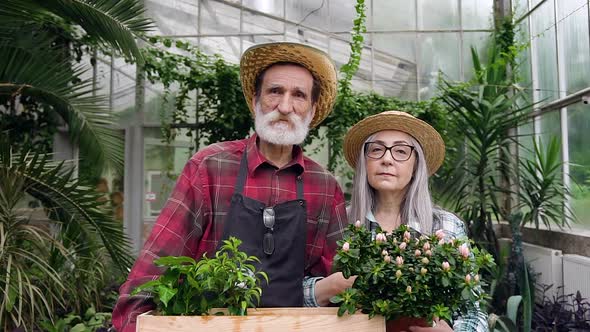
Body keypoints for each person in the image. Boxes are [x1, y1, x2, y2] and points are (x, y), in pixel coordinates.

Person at [112, 42, 353, 331]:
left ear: (312, 111)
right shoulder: (210, 167)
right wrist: (130, 323)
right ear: (255, 100)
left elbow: (341, 279)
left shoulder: (324, 186)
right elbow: (158, 261)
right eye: (275, 92)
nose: (285, 106)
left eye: (298, 96)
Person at [343, 110, 489, 332]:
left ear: (416, 166)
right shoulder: (341, 222)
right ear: (365, 162)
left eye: (401, 151)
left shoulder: (445, 226)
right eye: (376, 149)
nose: (387, 159)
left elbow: (473, 311)